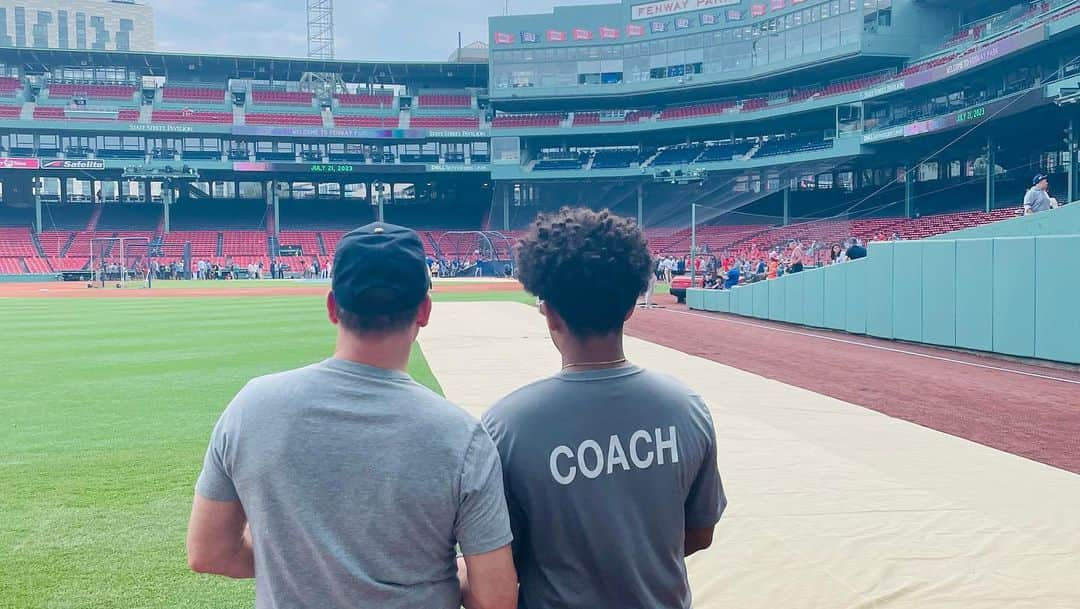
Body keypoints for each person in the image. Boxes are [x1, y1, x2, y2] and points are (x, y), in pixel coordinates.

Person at [187, 223, 518, 609]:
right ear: (425, 311)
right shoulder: (461, 437)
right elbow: (495, 599)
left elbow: (208, 551)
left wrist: (303, 563)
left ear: (332, 307)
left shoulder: (251, 407)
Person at [479, 208, 726, 609]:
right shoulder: (686, 408)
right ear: (630, 306)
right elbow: (700, 533)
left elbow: (499, 562)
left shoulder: (506, 426)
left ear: (549, 313)